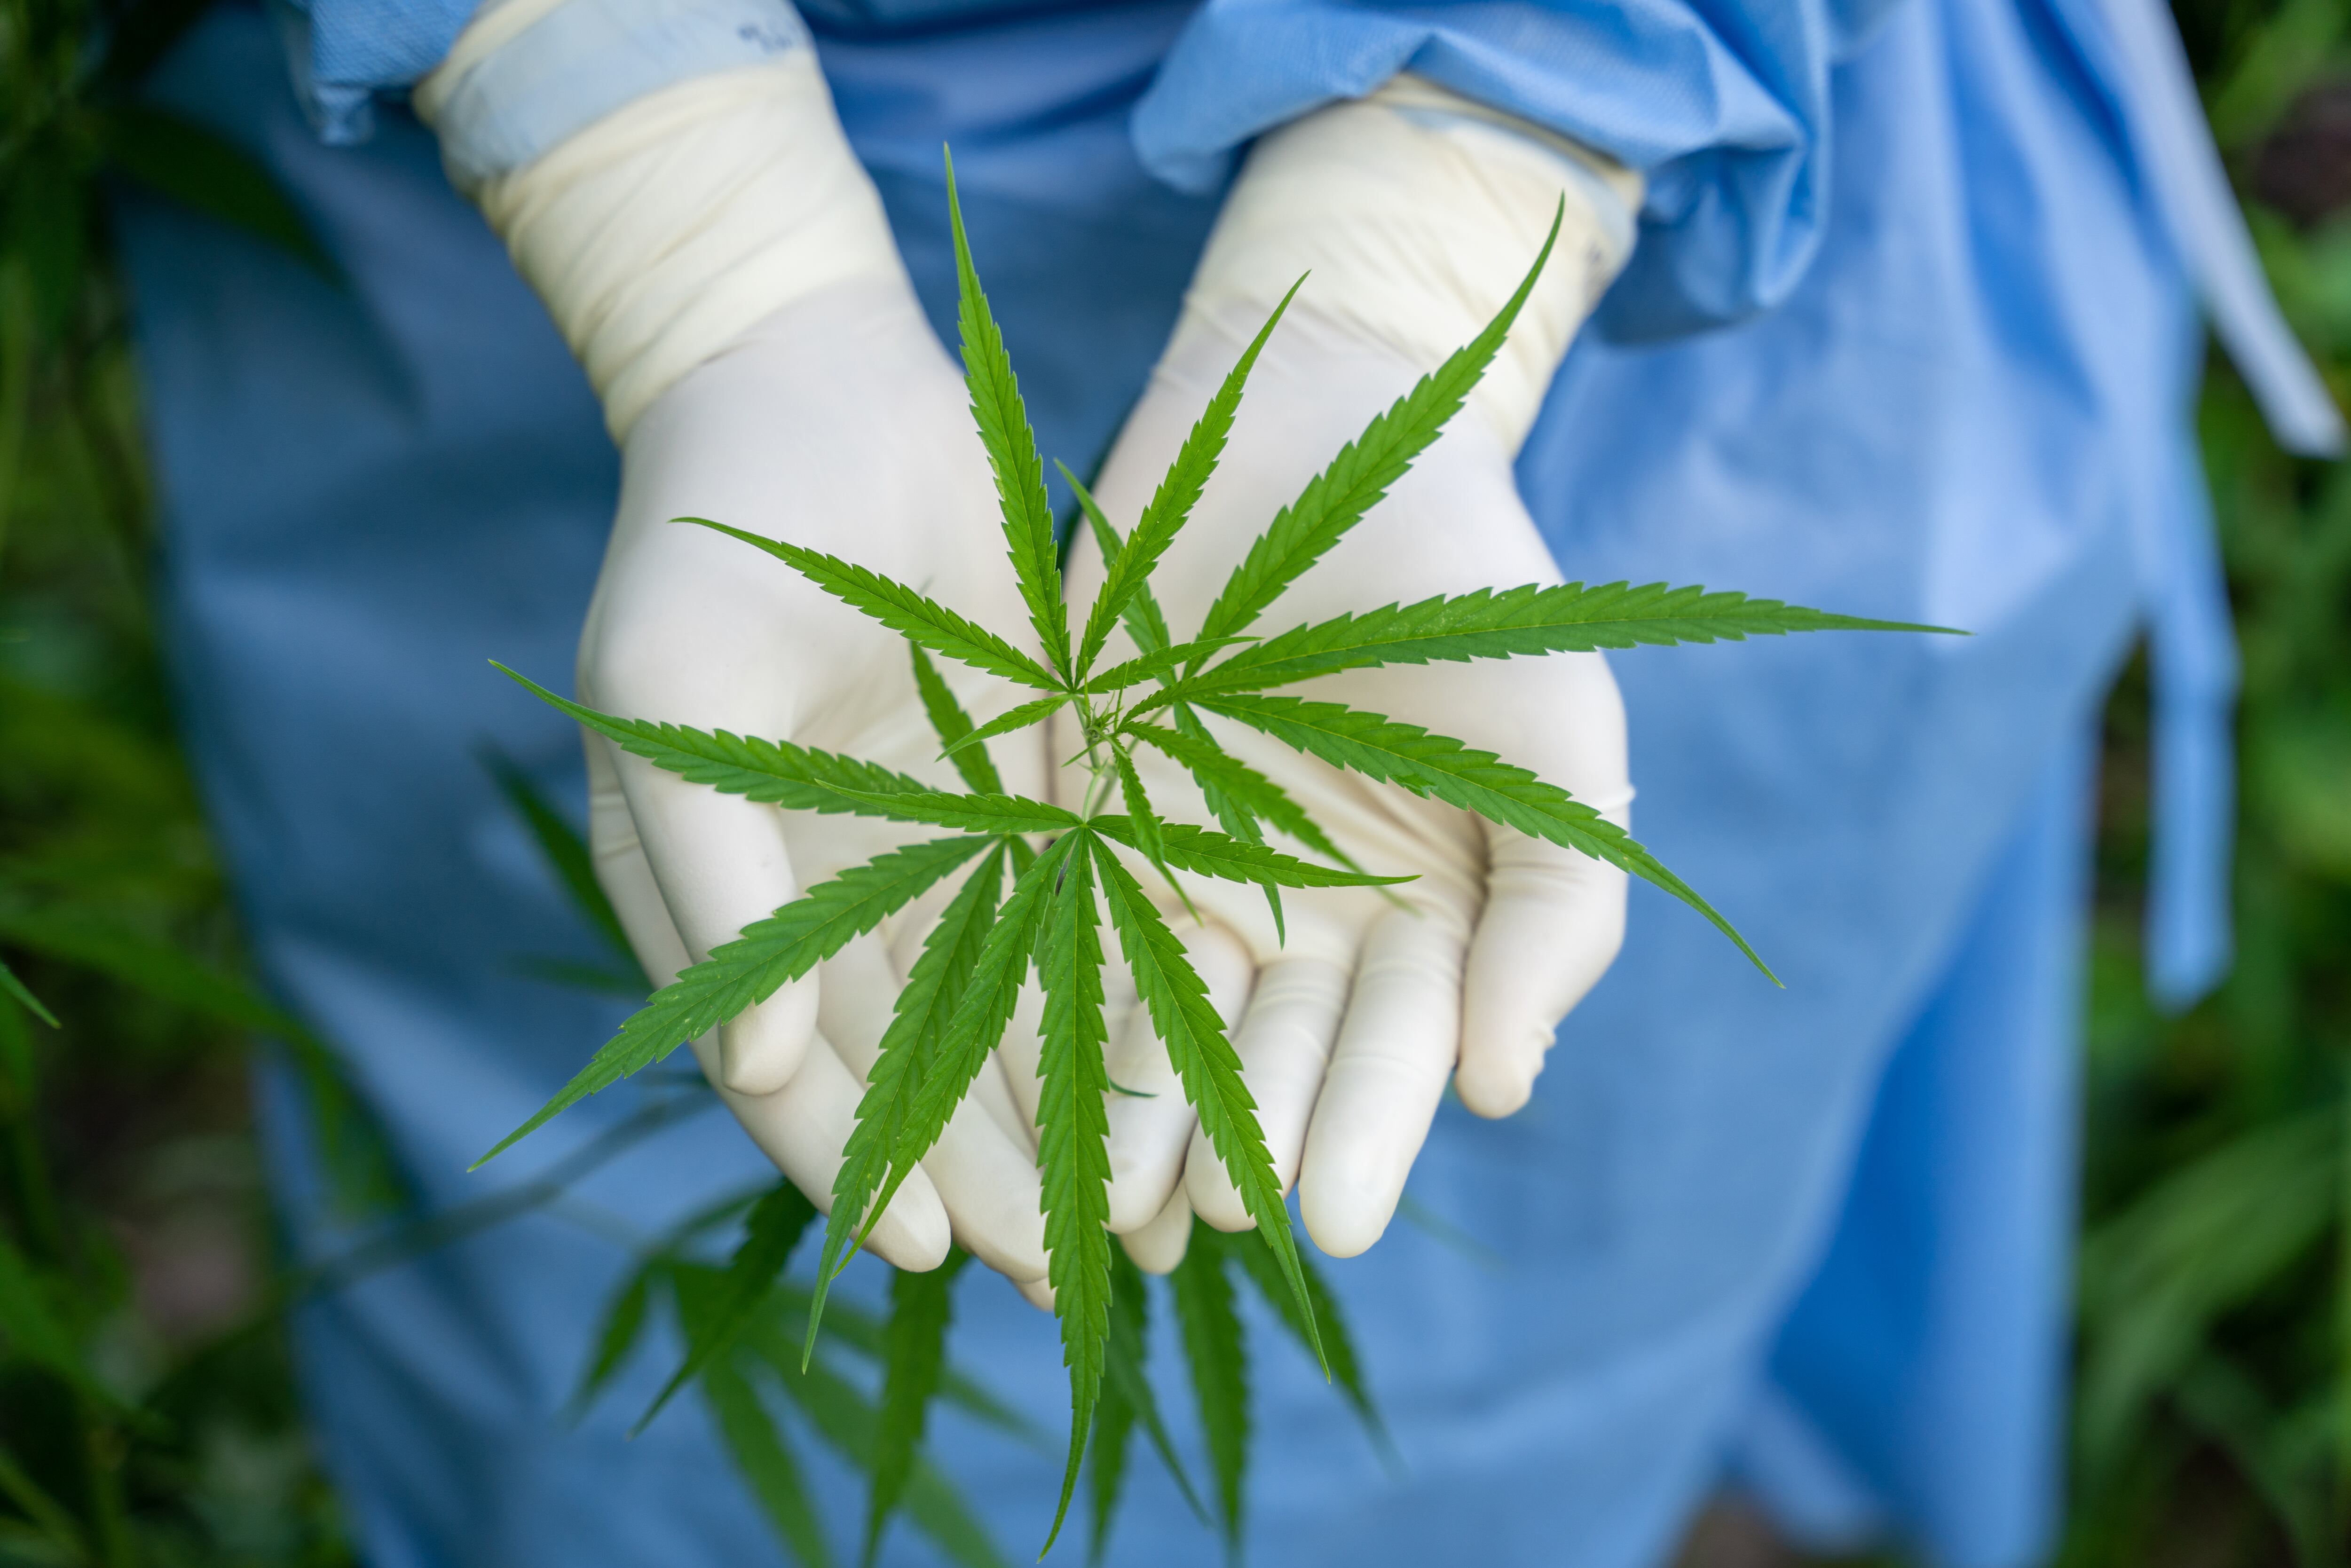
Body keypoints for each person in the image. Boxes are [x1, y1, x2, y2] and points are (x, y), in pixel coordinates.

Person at [116, 0, 2336, 1561]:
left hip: (1680, 196)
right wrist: (669, 213)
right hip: (496, 242)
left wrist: (1443, 222)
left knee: (1605, 1198)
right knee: (644, 1297)